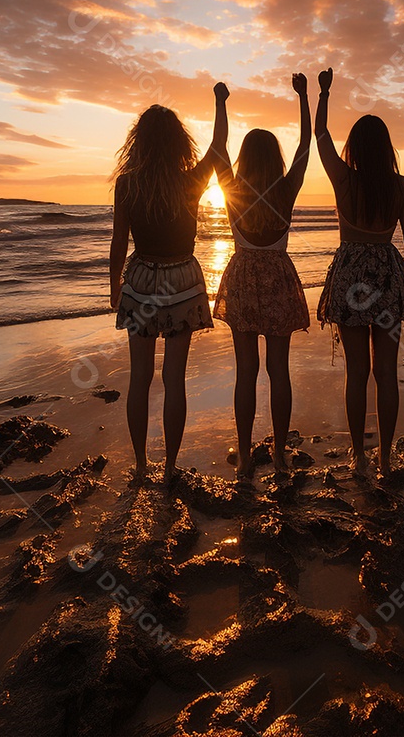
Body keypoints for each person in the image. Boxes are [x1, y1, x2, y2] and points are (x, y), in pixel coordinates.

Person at [109, 84, 228, 484]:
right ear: (178, 142)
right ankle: (171, 468)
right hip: (182, 279)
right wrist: (219, 102)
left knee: (139, 378)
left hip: (141, 280)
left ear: (138, 142)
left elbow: (118, 241)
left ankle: (142, 466)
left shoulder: (128, 184)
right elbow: (218, 144)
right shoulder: (190, 181)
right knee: (174, 379)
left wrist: (114, 288)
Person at [313, 67, 404, 477]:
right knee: (386, 374)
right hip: (386, 278)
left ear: (356, 149)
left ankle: (360, 458)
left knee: (357, 373)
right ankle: (384, 457)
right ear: (387, 148)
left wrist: (323, 93)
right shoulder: (401, 186)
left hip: (349, 280)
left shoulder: (344, 179)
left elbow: (319, 135)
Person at [213, 74, 311, 479]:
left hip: (242, 279)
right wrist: (305, 97)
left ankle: (247, 452)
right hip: (278, 279)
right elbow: (306, 145)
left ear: (245, 159)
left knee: (246, 372)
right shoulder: (287, 189)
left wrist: (221, 102)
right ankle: (280, 454)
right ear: (275, 159)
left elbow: (218, 147)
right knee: (279, 370)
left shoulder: (232, 187)